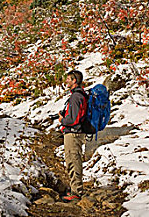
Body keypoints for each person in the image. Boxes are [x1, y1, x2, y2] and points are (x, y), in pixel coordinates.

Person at [58, 70, 87, 202]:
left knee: (73, 160)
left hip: (73, 133)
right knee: (72, 160)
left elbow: (74, 119)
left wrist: (62, 120)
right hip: (74, 133)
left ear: (74, 80)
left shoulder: (76, 97)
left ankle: (76, 192)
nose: (66, 81)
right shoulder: (78, 95)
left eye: (68, 79)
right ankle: (75, 189)